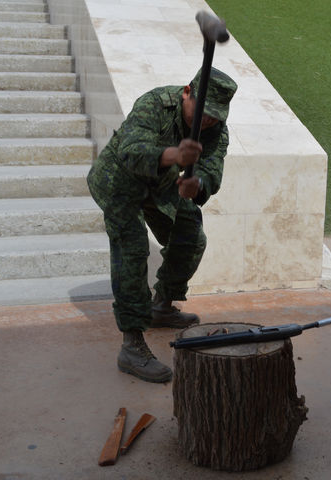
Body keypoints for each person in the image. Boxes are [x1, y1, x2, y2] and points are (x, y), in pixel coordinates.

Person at [86, 68, 237, 383]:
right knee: (132, 250)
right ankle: (132, 346)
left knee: (191, 237)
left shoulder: (215, 129)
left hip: (161, 185)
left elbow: (212, 169)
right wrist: (174, 155)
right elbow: (132, 151)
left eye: (215, 115)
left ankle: (162, 306)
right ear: (186, 92)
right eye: (204, 112)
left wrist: (197, 185)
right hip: (119, 180)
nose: (208, 120)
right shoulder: (155, 104)